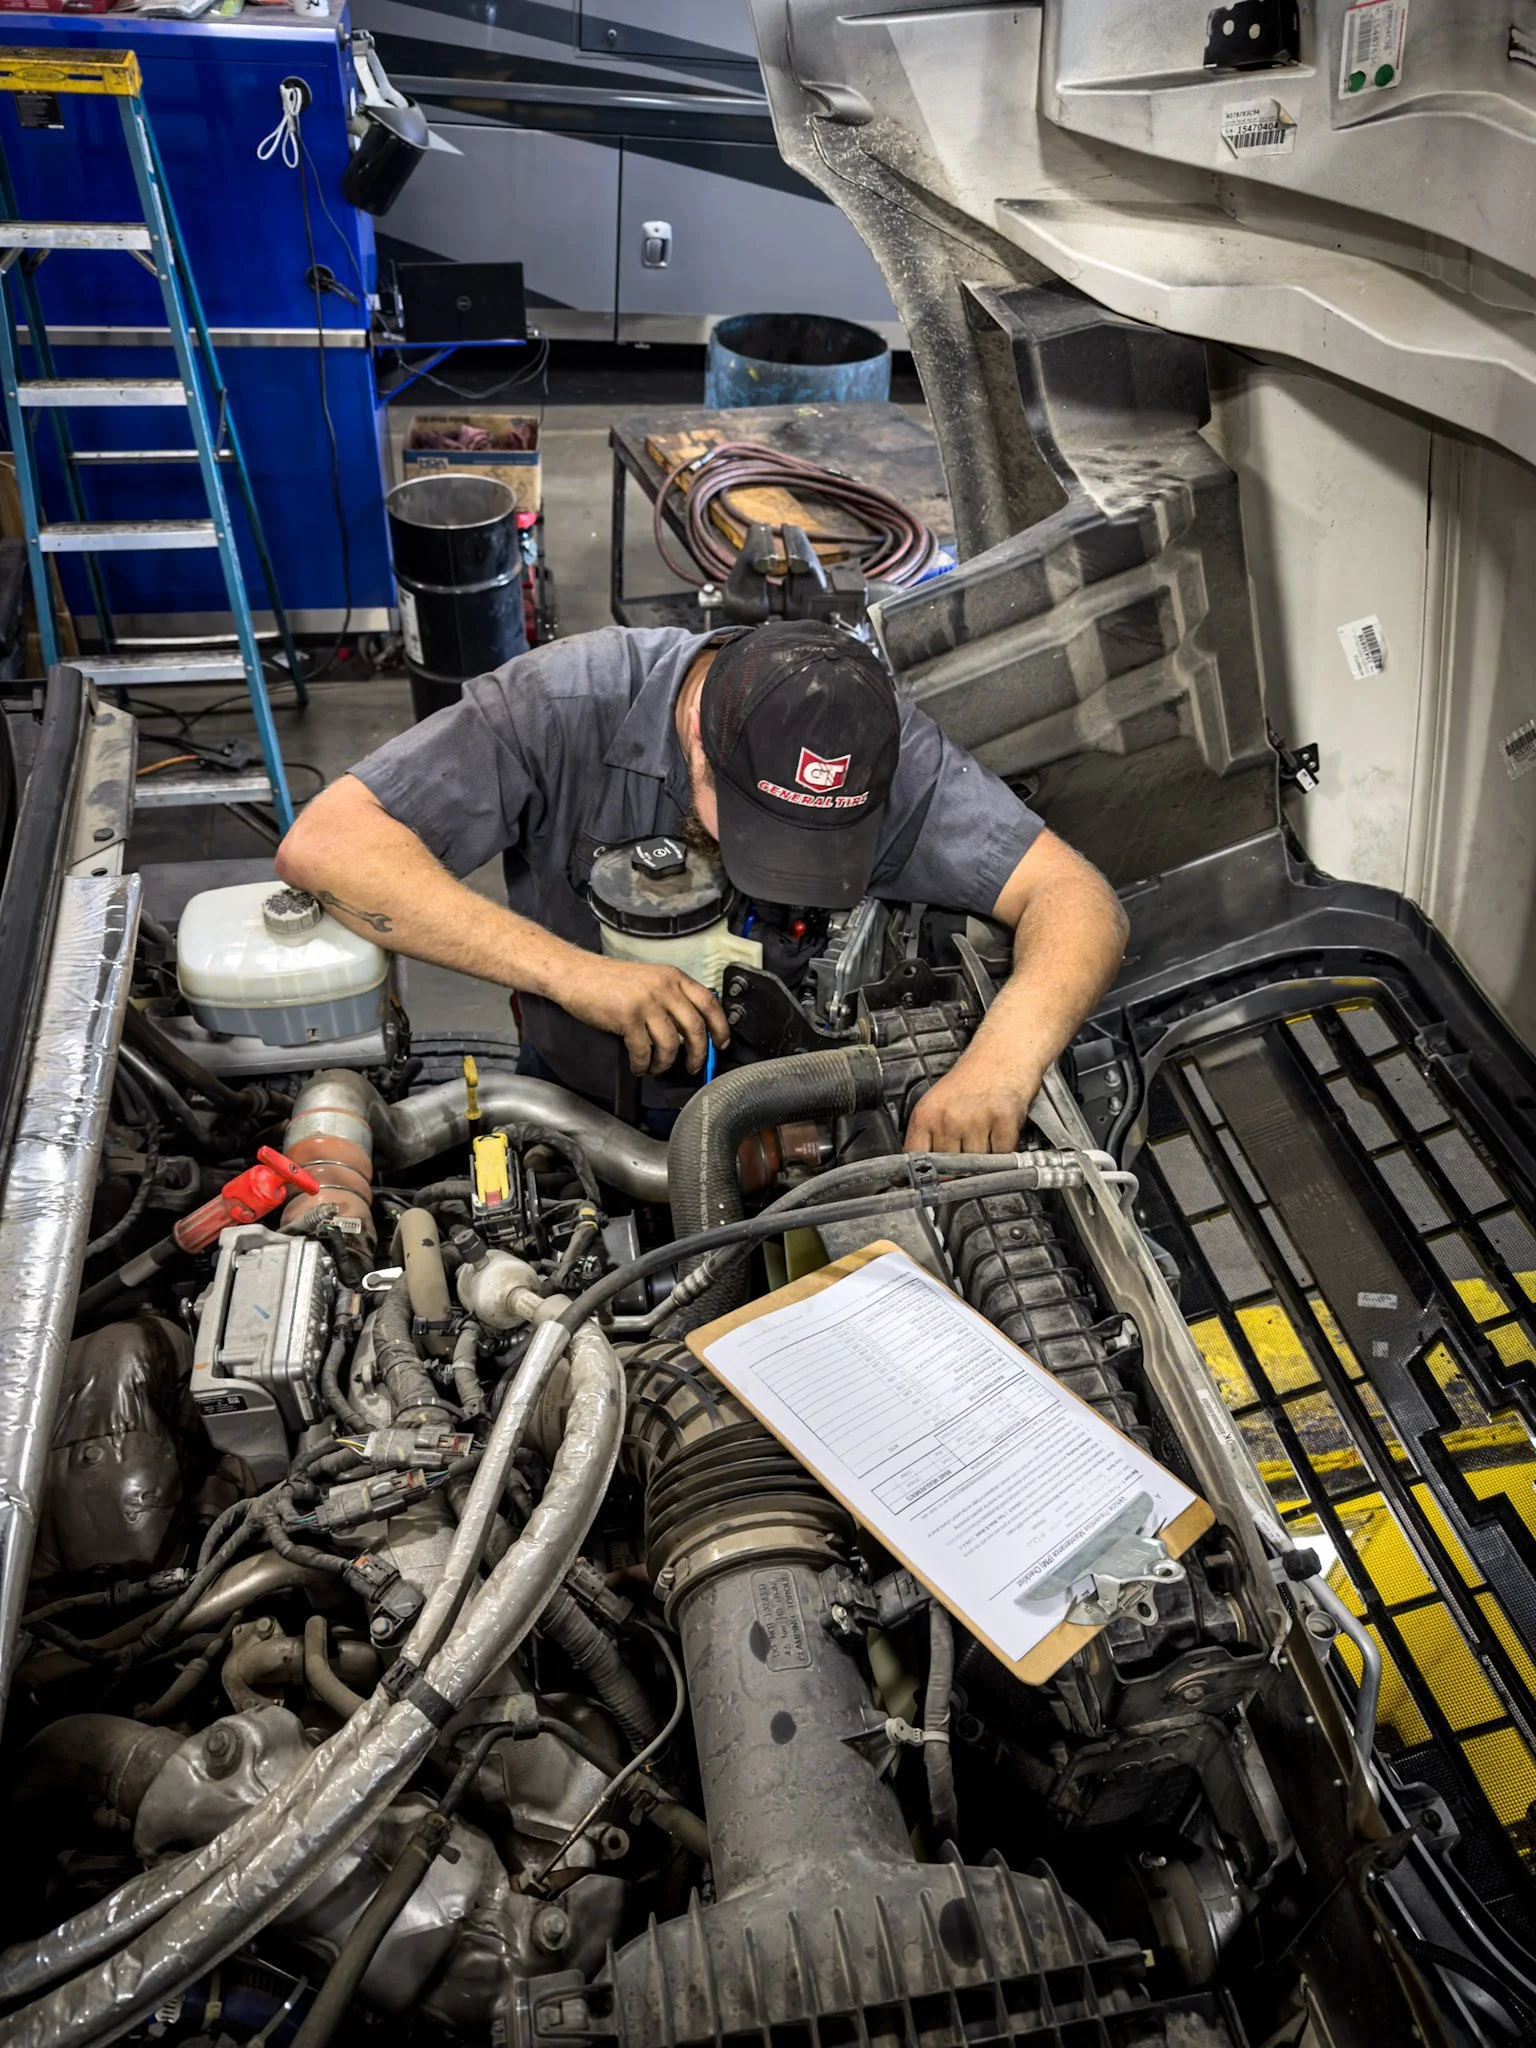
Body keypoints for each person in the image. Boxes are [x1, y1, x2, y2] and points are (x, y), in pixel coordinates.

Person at [275, 619, 1128, 1154]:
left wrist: (998, 1069)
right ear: (694, 733)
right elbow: (330, 843)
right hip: (569, 1109)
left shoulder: (874, 740)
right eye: (757, 827)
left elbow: (1077, 898)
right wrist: (574, 973)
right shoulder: (564, 703)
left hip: (786, 1122)